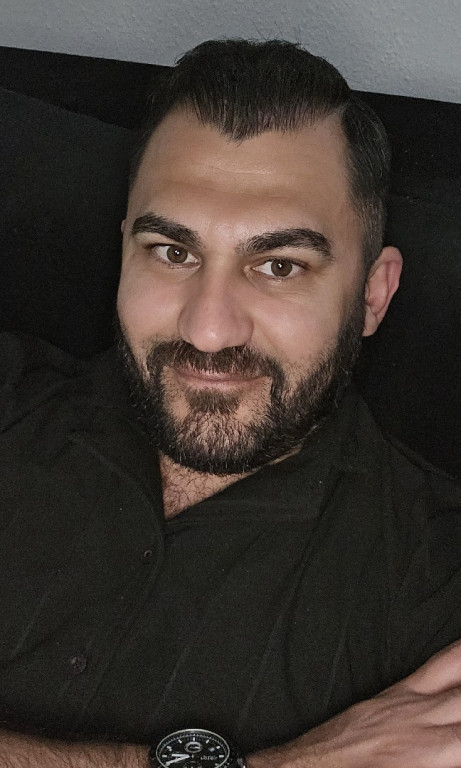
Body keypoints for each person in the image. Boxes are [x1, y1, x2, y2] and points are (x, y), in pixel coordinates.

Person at [1, 38, 461, 768]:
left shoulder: (434, 579)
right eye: (172, 252)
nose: (208, 329)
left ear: (374, 295)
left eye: (279, 265)